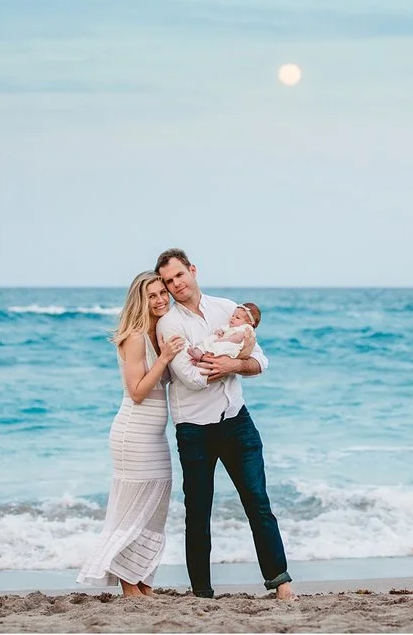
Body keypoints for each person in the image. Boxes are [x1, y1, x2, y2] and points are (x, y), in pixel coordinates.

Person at [154, 248, 296, 601]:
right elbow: (189, 377)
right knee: (198, 512)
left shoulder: (228, 309)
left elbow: (260, 359)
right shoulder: (169, 324)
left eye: (179, 275)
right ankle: (202, 593)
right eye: (169, 281)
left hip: (237, 422)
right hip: (194, 430)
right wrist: (232, 363)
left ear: (193, 270)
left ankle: (281, 583)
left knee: (258, 502)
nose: (176, 285)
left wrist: (233, 365)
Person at [76, 271, 185, 598]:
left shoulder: (159, 332)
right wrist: (165, 358)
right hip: (133, 433)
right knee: (132, 509)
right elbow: (137, 392)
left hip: (155, 436)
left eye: (162, 293)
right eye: (151, 296)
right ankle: (128, 586)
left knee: (155, 510)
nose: (160, 300)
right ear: (140, 300)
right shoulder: (135, 337)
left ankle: (144, 583)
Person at [187, 302, 262, 364]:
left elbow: (237, 338)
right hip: (223, 340)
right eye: (233, 315)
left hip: (231, 345)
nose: (233, 318)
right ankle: (199, 354)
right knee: (211, 340)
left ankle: (201, 358)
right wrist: (219, 332)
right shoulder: (231, 326)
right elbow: (222, 330)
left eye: (237, 318)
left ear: (249, 323)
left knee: (220, 351)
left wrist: (223, 340)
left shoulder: (246, 328)